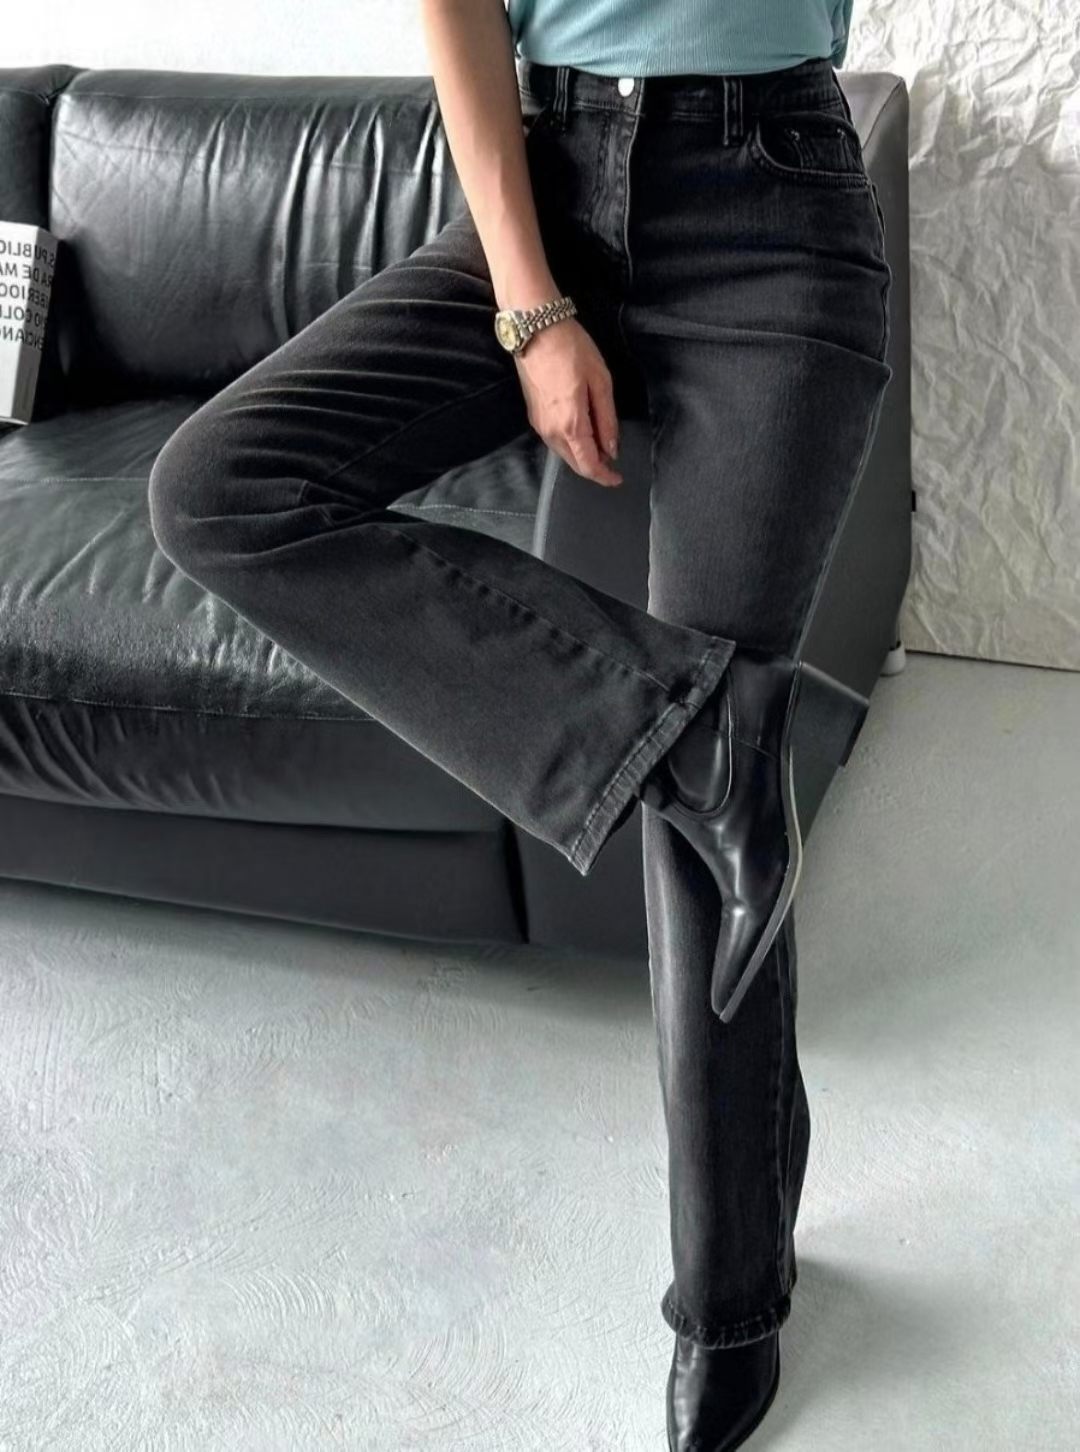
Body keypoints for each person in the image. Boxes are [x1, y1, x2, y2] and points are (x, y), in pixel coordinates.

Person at [146, 1, 892, 1446]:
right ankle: (695, 739)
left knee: (703, 837)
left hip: (776, 204)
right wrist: (534, 306)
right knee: (222, 489)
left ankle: (732, 1299)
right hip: (543, 189)